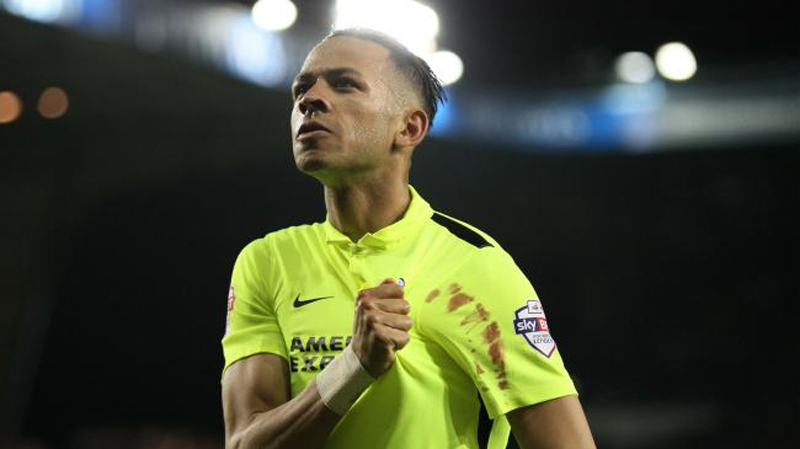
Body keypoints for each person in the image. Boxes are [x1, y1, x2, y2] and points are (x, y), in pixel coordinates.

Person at [220, 28, 596, 449]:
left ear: (410, 127)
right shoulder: (267, 261)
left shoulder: (474, 265)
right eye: (301, 89)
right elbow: (244, 443)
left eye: (344, 84)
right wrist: (352, 368)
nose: (310, 99)